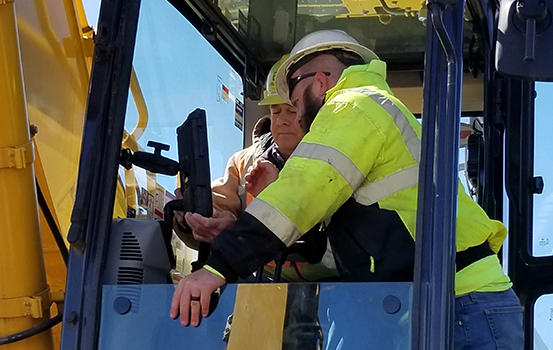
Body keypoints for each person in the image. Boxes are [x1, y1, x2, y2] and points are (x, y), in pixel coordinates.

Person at [170, 29, 523, 350]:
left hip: (462, 307)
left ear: (320, 82)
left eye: (294, 100)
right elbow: (340, 246)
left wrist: (218, 268)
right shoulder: (375, 110)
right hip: (452, 304)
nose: (294, 112)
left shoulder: (353, 105)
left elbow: (303, 190)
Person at [173, 55, 338, 283]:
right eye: (275, 111)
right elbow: (221, 205)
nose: (282, 121)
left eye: (291, 110)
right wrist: (196, 218)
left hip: (333, 287)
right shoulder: (243, 162)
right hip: (259, 286)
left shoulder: (338, 159)